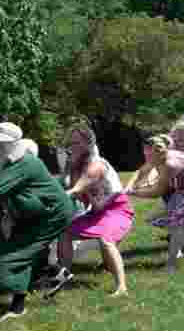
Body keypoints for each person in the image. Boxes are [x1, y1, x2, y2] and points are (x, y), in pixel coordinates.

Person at [0, 123, 73, 319]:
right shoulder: (6, 163)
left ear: (12, 143)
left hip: (52, 214)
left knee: (12, 257)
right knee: (21, 254)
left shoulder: (25, 163)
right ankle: (54, 274)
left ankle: (22, 303)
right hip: (35, 213)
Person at [47, 121, 134, 297]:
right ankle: (64, 274)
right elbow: (69, 187)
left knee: (106, 240)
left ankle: (121, 287)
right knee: (65, 233)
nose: (73, 146)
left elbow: (77, 189)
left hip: (116, 209)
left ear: (89, 144)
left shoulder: (96, 165)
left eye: (77, 142)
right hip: (96, 211)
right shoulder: (74, 165)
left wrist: (60, 196)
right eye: (71, 143)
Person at [125, 135, 184, 272]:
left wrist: (134, 192)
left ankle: (172, 264)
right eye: (146, 153)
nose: (148, 157)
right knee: (159, 218)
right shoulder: (157, 157)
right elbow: (142, 171)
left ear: (161, 151)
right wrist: (129, 186)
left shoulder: (169, 164)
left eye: (151, 154)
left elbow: (157, 192)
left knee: (175, 222)